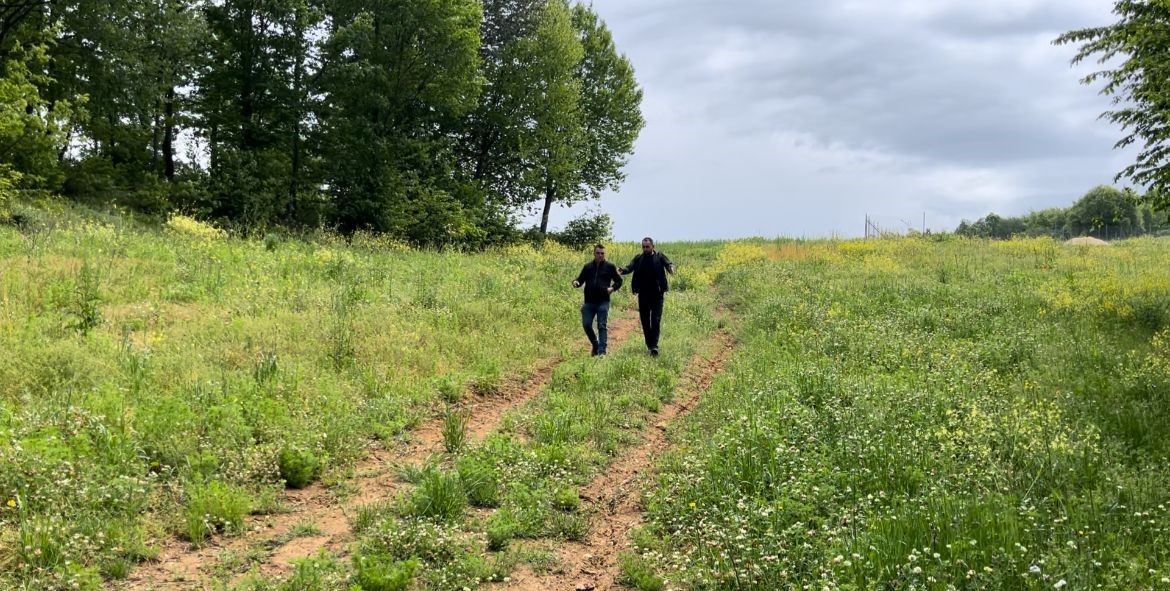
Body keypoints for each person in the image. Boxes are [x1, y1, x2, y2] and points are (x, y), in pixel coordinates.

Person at [619, 237, 674, 357]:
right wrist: (622, 270)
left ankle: (654, 346)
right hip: (643, 294)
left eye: (647, 247)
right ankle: (650, 346)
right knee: (645, 321)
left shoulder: (659, 256)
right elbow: (630, 267)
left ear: (653, 246)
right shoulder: (639, 258)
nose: (645, 249)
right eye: (643, 247)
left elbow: (668, 263)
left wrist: (671, 268)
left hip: (657, 294)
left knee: (655, 319)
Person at [572, 244, 623, 356]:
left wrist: (612, 288)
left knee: (601, 325)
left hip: (603, 302)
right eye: (598, 253)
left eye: (602, 253)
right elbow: (580, 280)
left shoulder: (610, 266)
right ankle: (595, 345)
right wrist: (576, 282)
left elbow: (619, 281)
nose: (600, 255)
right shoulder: (588, 267)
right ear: (594, 254)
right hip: (589, 302)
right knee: (586, 325)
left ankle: (602, 352)